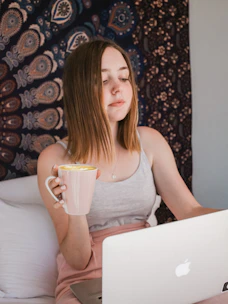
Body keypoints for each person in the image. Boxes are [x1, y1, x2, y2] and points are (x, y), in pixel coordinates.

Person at [37, 39, 226, 304]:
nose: (118, 88)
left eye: (124, 77)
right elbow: (78, 260)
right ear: (80, 90)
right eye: (103, 81)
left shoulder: (149, 142)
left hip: (151, 269)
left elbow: (190, 211)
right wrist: (76, 208)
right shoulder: (56, 159)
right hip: (89, 282)